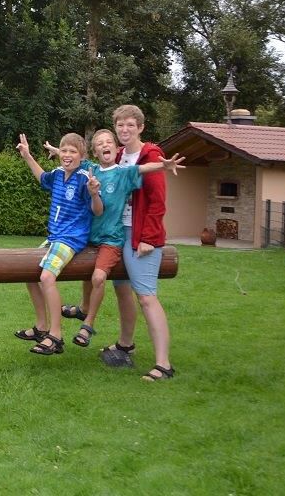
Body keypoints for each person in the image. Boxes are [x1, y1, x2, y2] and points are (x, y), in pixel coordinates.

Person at [53, 130, 184, 349]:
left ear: (116, 148)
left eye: (108, 142)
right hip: (89, 237)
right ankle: (84, 308)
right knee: (85, 275)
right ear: (95, 152)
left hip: (111, 239)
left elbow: (142, 169)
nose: (105, 145)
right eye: (99, 144)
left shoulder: (123, 173)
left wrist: (164, 165)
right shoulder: (91, 170)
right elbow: (74, 156)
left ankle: (88, 325)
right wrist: (57, 150)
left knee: (98, 277)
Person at [100, 104, 176, 381]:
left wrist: (148, 238)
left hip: (140, 234)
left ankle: (163, 364)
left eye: (130, 125)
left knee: (145, 296)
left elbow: (157, 201)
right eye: (120, 125)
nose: (124, 129)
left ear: (141, 128)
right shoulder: (119, 156)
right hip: (118, 232)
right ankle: (125, 344)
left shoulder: (151, 155)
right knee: (121, 289)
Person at [14, 132, 103, 355]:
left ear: (82, 156)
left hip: (72, 238)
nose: (67, 155)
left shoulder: (84, 177)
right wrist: (27, 156)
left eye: (73, 151)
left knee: (46, 277)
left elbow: (97, 210)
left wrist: (94, 194)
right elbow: (42, 178)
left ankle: (56, 335)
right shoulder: (57, 174)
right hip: (54, 236)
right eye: (63, 150)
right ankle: (42, 327)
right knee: (28, 274)